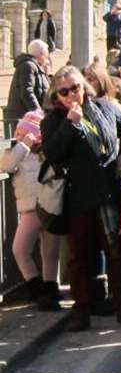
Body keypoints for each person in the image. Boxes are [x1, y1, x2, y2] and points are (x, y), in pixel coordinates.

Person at [40, 65, 121, 332]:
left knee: (118, 256)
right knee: (80, 259)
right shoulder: (53, 121)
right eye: (64, 92)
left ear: (83, 87)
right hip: (79, 197)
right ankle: (81, 312)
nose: (71, 95)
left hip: (110, 193)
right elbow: (53, 153)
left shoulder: (106, 108)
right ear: (56, 96)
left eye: (75, 88)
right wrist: (70, 124)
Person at [1, 110, 61, 310]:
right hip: (30, 210)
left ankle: (50, 290)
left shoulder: (46, 151)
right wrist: (23, 145)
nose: (18, 136)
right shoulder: (17, 152)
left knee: (50, 252)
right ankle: (35, 287)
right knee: (20, 249)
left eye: (23, 133)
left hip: (50, 207)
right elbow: (6, 166)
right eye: (17, 132)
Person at [5, 38, 51, 127]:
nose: (47, 58)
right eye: (46, 54)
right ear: (41, 54)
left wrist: (46, 73)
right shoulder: (28, 66)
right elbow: (27, 92)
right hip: (24, 118)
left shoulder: (36, 67)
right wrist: (38, 114)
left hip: (29, 118)